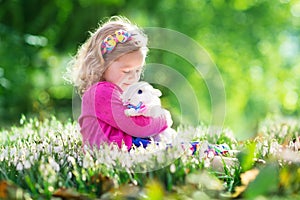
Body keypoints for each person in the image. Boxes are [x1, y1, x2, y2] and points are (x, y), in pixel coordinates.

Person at [69, 16, 168, 150]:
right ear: (102, 65)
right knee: (182, 149)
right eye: (126, 71)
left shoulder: (118, 92)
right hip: (116, 150)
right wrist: (163, 119)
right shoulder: (100, 92)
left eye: (138, 70)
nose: (133, 78)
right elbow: (136, 127)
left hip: (126, 146)